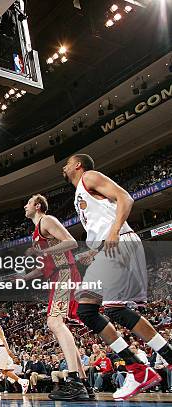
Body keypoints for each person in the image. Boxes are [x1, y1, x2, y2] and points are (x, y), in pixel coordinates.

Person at [63, 154, 172, 400]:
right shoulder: (80, 192)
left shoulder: (90, 176)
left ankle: (149, 366)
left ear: (79, 165)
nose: (64, 166)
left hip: (119, 242)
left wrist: (113, 232)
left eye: (68, 162)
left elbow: (125, 197)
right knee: (86, 312)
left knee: (113, 308)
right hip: (106, 249)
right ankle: (136, 368)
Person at [20, 194, 91, 400]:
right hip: (56, 275)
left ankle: (74, 380)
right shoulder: (36, 233)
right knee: (58, 324)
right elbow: (43, 268)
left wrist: (44, 252)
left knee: (54, 322)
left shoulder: (47, 220)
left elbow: (71, 242)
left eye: (28, 202)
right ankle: (84, 383)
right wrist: (24, 277)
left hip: (64, 273)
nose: (25, 205)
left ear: (38, 205)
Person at [0, 313, 29, 396]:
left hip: (1, 348)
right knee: (4, 371)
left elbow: (3, 338)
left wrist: (8, 351)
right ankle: (22, 382)